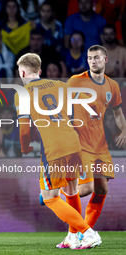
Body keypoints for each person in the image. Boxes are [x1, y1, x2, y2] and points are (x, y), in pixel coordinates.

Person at [15, 53, 102, 249]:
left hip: (53, 148)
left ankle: (88, 233)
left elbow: (24, 128)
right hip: (73, 142)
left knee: (50, 198)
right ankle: (73, 237)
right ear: (40, 71)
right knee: (71, 191)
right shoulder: (60, 86)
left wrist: (25, 146)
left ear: (22, 72)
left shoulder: (22, 93)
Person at [65, 45, 126, 238]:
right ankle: (53, 191)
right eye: (90, 58)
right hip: (80, 144)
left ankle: (81, 233)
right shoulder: (76, 81)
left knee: (101, 189)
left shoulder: (112, 86)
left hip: (101, 145)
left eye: (97, 58)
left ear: (105, 60)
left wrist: (123, 129)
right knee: (86, 188)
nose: (93, 61)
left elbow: (118, 113)